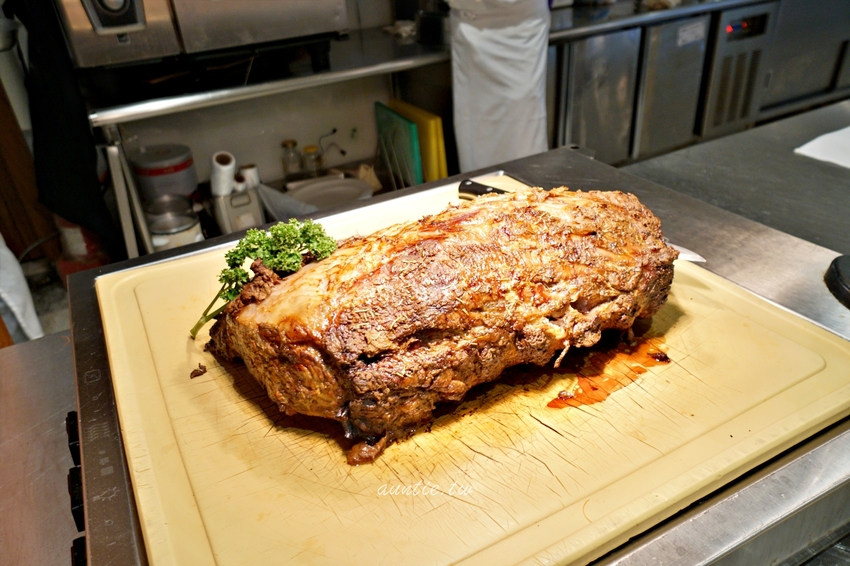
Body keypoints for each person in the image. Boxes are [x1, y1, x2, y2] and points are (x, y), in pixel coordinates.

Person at [448, 0, 550, 173]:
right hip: (471, 30)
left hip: (524, 30)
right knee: (478, 136)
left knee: (522, 134)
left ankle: (527, 187)